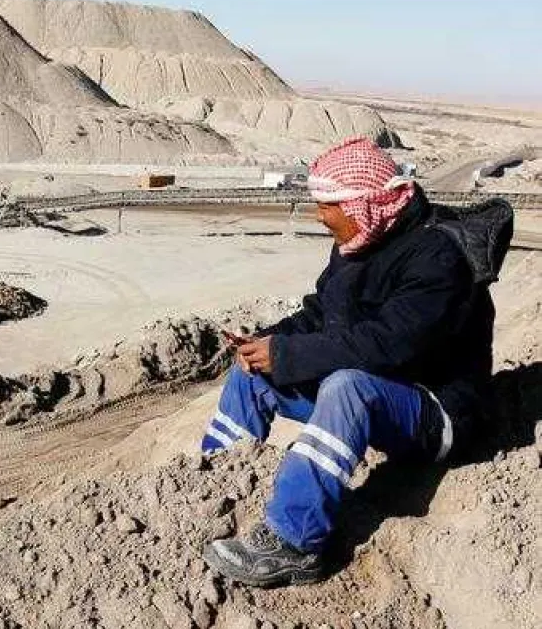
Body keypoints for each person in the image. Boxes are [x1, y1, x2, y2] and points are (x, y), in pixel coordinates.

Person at [200, 136, 510, 587]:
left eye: (328, 205)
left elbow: (387, 346)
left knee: (347, 386)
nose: (320, 216)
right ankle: (213, 488)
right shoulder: (364, 240)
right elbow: (323, 312)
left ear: (363, 204)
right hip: (382, 394)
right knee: (254, 377)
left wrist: (287, 355)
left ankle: (297, 544)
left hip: (440, 413)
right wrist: (272, 341)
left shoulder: (439, 259)